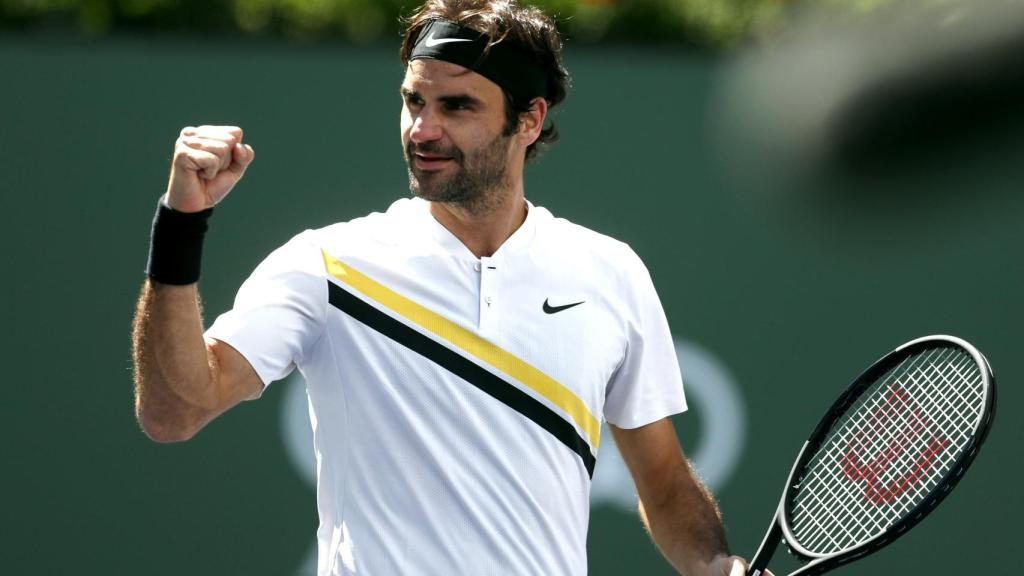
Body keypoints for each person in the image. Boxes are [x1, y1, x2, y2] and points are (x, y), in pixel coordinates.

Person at [132, 1, 757, 575]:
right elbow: (174, 410)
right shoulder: (327, 265)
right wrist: (181, 225)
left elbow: (666, 480)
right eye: (413, 102)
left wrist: (713, 566)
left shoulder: (611, 273)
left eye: (457, 107)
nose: (422, 130)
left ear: (530, 119)